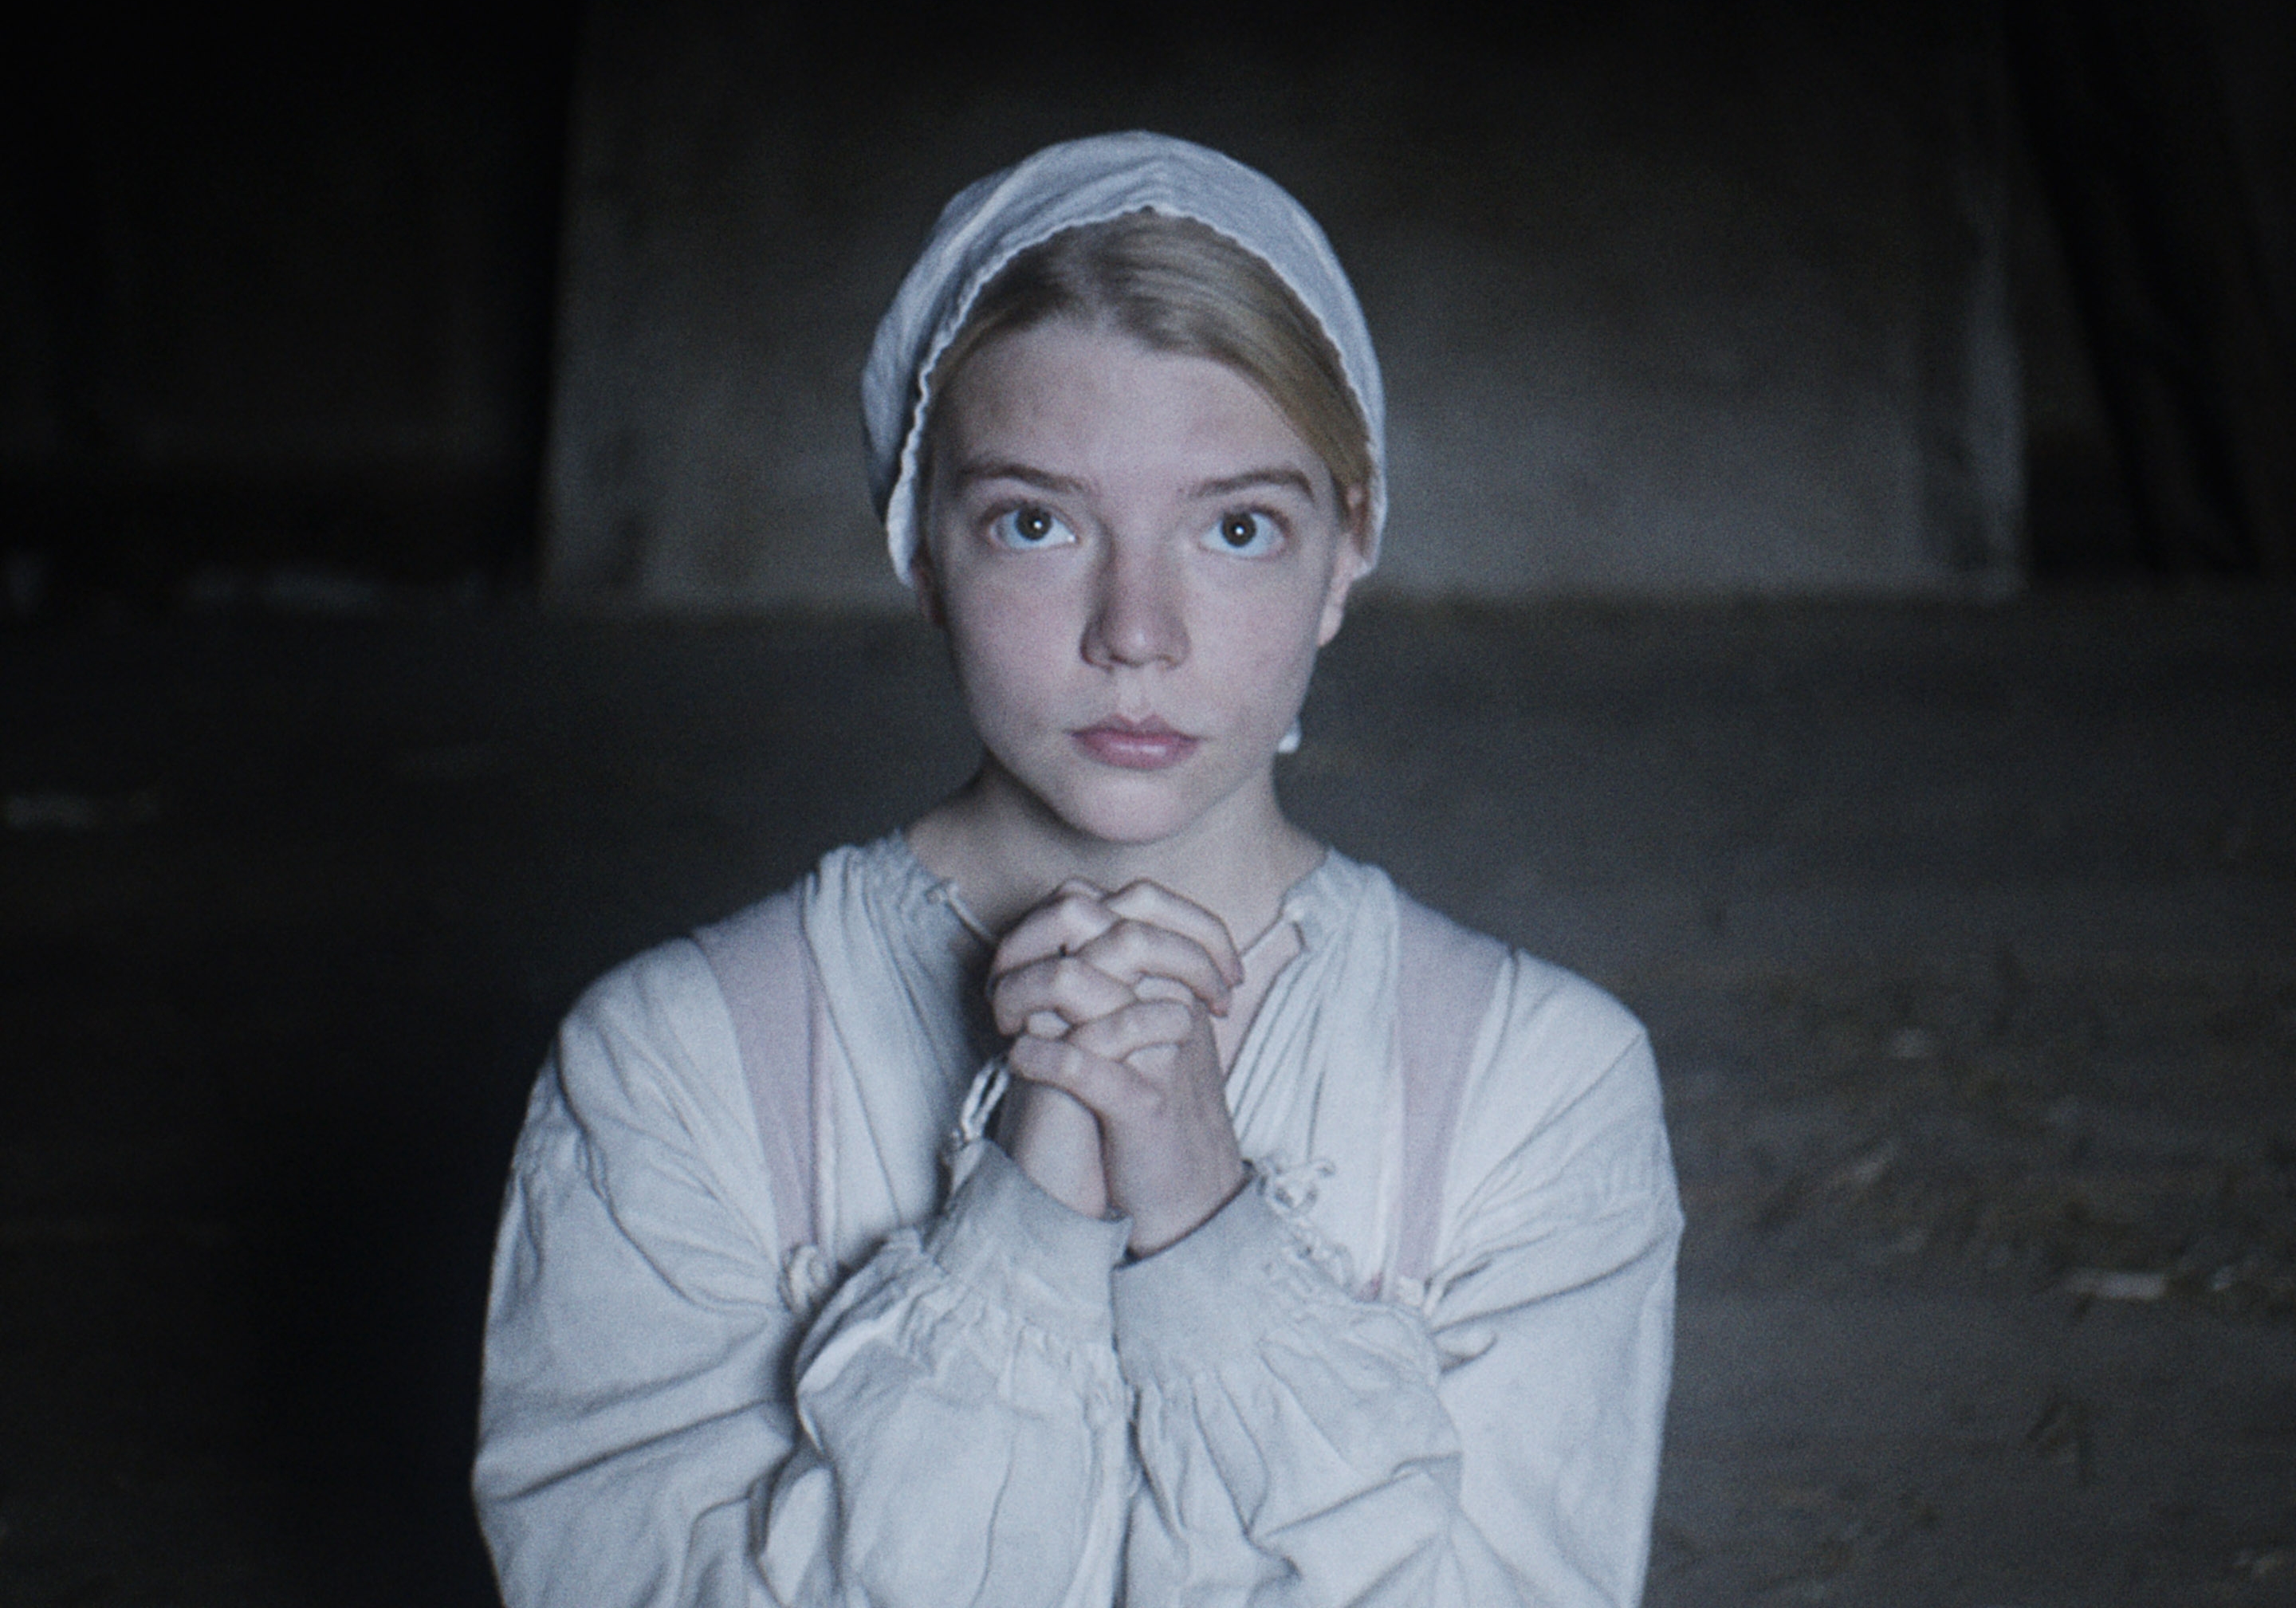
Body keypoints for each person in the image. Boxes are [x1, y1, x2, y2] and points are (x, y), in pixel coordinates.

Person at [473, 132, 1681, 1607]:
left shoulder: (1536, 1086)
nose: (1137, 632)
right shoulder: (671, 1067)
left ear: (1349, 549)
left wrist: (1205, 1221)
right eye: (1036, 522)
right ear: (923, 546)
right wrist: (1025, 1220)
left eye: (1237, 529)